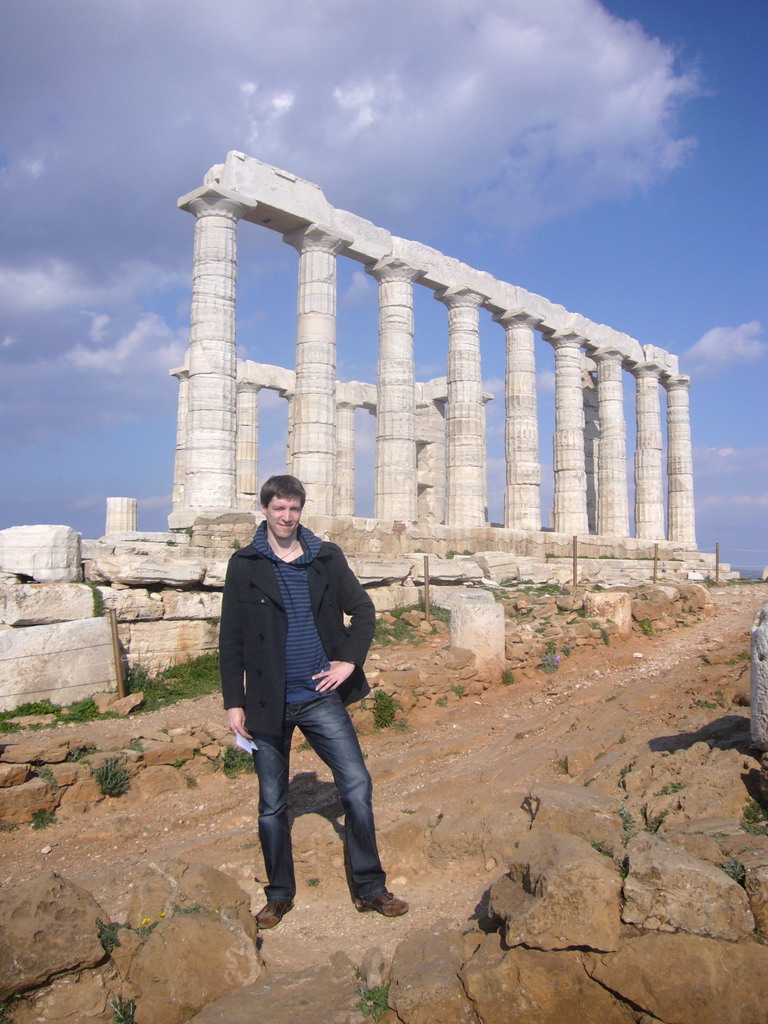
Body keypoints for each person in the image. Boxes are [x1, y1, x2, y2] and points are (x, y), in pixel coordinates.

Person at [219, 474, 408, 929]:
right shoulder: (244, 564)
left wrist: (348, 661)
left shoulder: (325, 556)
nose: (286, 517)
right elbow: (231, 639)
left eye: (294, 509)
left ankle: (370, 887)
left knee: (357, 786)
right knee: (271, 804)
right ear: (264, 510)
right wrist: (233, 702)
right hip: (267, 700)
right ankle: (279, 895)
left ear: (301, 511)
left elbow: (362, 609)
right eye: (279, 509)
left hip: (319, 695)